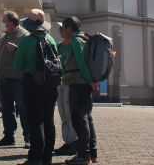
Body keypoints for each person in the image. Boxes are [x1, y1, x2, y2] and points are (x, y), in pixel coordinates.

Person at [13, 9, 59, 165]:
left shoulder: (26, 41)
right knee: (48, 121)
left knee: (34, 121)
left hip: (32, 84)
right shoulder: (51, 39)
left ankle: (34, 157)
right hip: (51, 85)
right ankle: (47, 158)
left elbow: (18, 65)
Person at [59, 17, 98, 165]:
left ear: (69, 28)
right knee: (87, 118)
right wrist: (91, 81)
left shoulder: (76, 40)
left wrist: (90, 81)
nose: (63, 30)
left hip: (77, 83)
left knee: (78, 119)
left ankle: (83, 156)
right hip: (84, 83)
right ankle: (92, 153)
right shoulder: (85, 38)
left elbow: (81, 63)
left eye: (63, 27)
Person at [0, 10, 29, 147]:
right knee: (7, 109)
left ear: (12, 22)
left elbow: (28, 55)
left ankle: (29, 137)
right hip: (4, 77)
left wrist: (17, 50)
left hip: (18, 79)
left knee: (23, 108)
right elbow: (0, 52)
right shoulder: (4, 36)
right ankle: (9, 136)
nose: (3, 23)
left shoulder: (24, 35)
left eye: (5, 21)